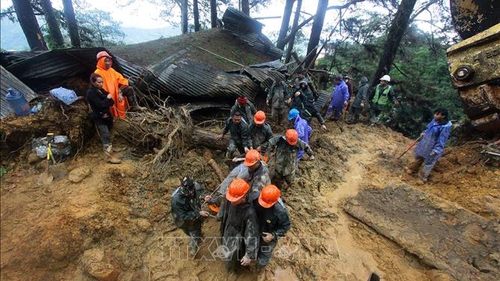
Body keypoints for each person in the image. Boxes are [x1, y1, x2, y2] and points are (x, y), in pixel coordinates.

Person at [220, 178, 260, 271]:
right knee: (225, 246)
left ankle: (233, 269)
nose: (232, 201)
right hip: (228, 227)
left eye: (235, 199)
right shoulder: (230, 197)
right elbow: (224, 205)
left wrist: (249, 255)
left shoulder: (249, 213)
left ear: (244, 196)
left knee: (233, 256)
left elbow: (252, 234)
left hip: (238, 235)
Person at [406, 108, 452, 183]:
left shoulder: (445, 127)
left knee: (428, 162)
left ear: (443, 116)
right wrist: (424, 133)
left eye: (437, 114)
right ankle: (413, 170)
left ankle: (422, 177)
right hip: (425, 143)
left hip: (433, 146)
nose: (435, 115)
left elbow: (442, 140)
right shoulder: (435, 120)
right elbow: (428, 128)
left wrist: (436, 150)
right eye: (435, 113)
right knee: (419, 157)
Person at [94, 51, 142, 119]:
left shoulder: (112, 70)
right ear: (100, 61)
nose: (108, 63)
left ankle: (134, 107)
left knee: (129, 89)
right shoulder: (97, 73)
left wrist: (119, 92)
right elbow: (99, 89)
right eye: (105, 61)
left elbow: (123, 80)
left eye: (109, 61)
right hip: (107, 95)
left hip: (117, 91)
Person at [86, 73, 121, 164]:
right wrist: (107, 99)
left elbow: (112, 102)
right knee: (105, 135)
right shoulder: (91, 92)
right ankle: (108, 156)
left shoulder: (101, 90)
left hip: (107, 116)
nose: (101, 84)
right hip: (99, 117)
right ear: (93, 82)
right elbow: (100, 105)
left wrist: (107, 100)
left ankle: (111, 149)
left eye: (102, 82)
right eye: (99, 82)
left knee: (110, 132)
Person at [254, 185, 291, 270]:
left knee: (262, 260)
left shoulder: (280, 212)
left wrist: (273, 235)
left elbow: (286, 226)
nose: (263, 205)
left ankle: (259, 269)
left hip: (268, 234)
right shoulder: (256, 197)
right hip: (256, 228)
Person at [171, 176, 210, 255]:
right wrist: (198, 213)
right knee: (193, 233)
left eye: (191, 191)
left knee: (196, 229)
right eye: (188, 192)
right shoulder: (176, 200)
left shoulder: (195, 185)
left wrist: (204, 196)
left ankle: (197, 234)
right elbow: (182, 216)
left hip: (194, 211)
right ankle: (193, 251)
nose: (191, 193)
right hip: (183, 220)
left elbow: (199, 192)